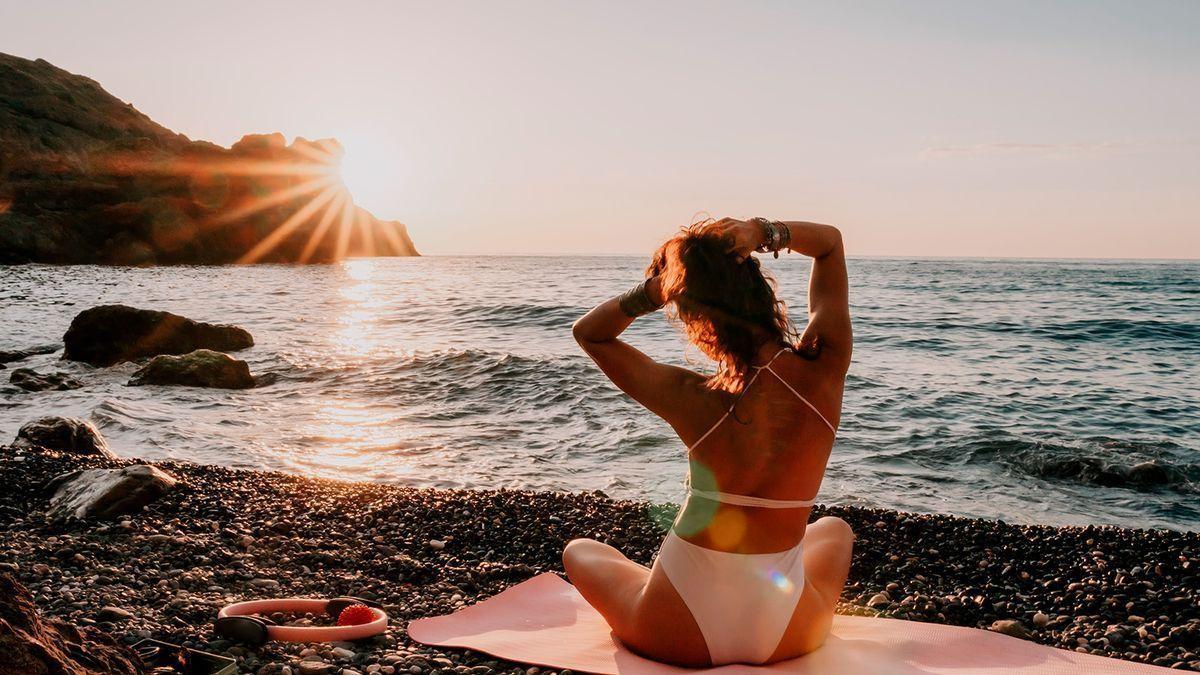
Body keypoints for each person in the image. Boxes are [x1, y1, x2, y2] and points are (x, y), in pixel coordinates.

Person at [563, 217, 854, 666]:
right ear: (759, 292)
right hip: (786, 635)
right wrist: (761, 232)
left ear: (692, 312)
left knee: (580, 550)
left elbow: (589, 332)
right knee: (834, 530)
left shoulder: (691, 397)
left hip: (675, 633)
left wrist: (657, 289)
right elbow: (830, 244)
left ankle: (663, 584)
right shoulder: (824, 364)